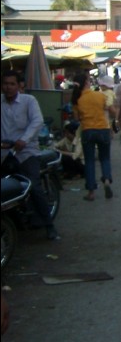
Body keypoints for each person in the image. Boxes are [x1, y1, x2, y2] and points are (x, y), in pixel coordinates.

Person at [1, 69, 60, 240]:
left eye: (12, 84)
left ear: (19, 86)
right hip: (4, 152)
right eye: (5, 84)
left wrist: (23, 140)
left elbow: (37, 121)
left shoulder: (29, 101)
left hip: (26, 152)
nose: (8, 87)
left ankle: (49, 225)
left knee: (33, 186)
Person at [72, 73, 114, 201]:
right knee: (105, 158)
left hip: (87, 131)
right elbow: (110, 109)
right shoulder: (99, 95)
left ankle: (91, 192)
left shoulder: (76, 99)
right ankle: (106, 180)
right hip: (103, 129)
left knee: (89, 162)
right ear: (86, 83)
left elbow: (76, 118)